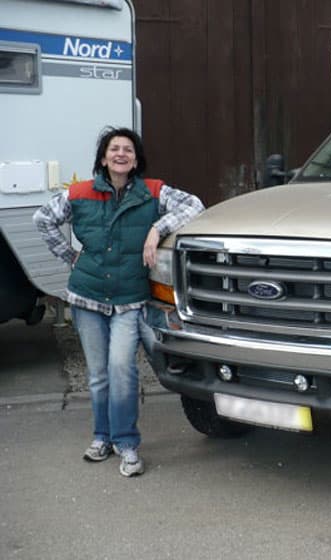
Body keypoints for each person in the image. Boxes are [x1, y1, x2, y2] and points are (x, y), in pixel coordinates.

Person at [34, 127, 205, 477]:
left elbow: (195, 205)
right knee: (98, 376)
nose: (121, 154)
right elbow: (43, 219)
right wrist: (69, 255)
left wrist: (157, 230)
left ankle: (127, 443)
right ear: (103, 158)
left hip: (130, 301)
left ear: (136, 159)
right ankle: (102, 437)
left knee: (122, 372)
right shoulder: (79, 193)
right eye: (115, 149)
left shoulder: (153, 192)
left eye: (128, 149)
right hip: (87, 298)